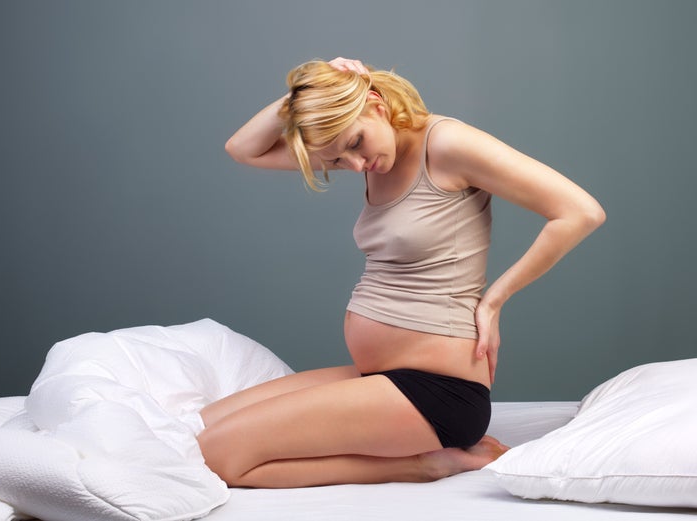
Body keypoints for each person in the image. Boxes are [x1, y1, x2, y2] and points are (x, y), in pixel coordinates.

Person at [197, 57, 606, 488]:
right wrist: (307, 95)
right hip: (383, 378)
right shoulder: (363, 152)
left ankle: (429, 464)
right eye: (337, 157)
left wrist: (495, 300)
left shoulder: (446, 144)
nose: (353, 165)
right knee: (202, 426)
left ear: (375, 103)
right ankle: (426, 452)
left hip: (437, 393)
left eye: (355, 143)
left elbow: (580, 212)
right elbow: (242, 148)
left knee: (217, 456)